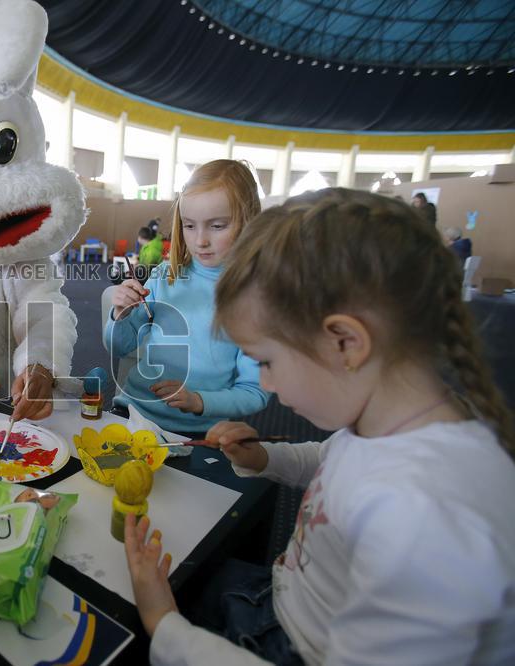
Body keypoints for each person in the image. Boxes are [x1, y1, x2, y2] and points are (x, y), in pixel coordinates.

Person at [125, 188, 515, 665]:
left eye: (266, 361)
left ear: (345, 343)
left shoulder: (423, 523)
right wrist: (268, 457)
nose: (264, 382)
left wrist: (165, 627)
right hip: (287, 599)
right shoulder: (396, 421)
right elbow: (333, 460)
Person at [104, 160, 270, 434]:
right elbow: (119, 347)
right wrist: (120, 315)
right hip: (132, 412)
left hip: (198, 432)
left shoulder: (256, 300)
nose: (200, 240)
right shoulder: (164, 275)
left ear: (249, 223)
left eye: (217, 226)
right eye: (189, 226)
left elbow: (255, 392)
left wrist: (198, 401)